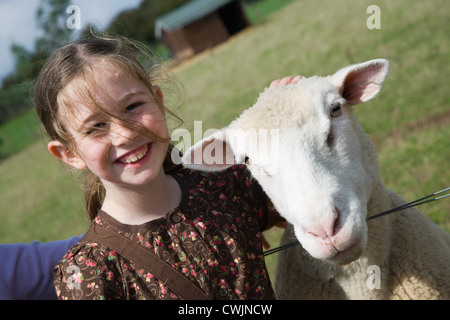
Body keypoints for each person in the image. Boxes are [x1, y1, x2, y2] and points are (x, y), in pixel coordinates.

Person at [31, 33, 299, 300]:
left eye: (133, 106)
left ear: (158, 101)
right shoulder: (87, 275)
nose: (125, 134)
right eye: (96, 127)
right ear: (69, 153)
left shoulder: (228, 185)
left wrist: (294, 117)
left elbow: (315, 201)